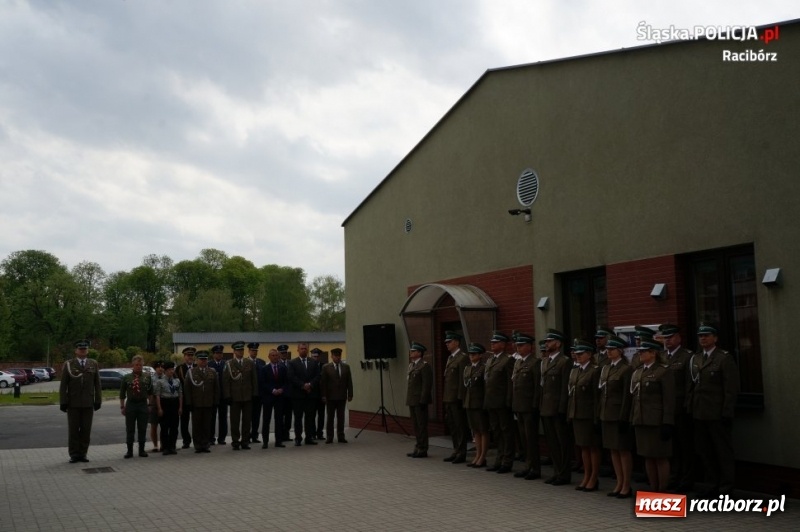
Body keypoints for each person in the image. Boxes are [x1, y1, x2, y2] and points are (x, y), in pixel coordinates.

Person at [687, 323, 740, 497]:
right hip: (699, 413)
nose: (703, 338)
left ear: (715, 338)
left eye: (707, 335)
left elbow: (730, 388)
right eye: (701, 336)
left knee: (722, 452)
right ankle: (711, 485)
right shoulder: (696, 359)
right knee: (705, 451)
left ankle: (725, 489)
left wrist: (727, 412)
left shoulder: (724, 358)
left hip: (717, 414)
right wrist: (690, 408)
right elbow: (692, 387)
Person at [631, 337, 675, 492]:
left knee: (660, 457)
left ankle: (662, 490)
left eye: (644, 351)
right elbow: (635, 398)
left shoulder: (663, 371)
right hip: (641, 420)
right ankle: (653, 488)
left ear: (653, 353)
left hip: (656, 421)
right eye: (640, 351)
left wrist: (667, 422)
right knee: (647, 456)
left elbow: (669, 399)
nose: (641, 354)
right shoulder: (638, 372)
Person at [658, 323, 695, 492]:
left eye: (671, 337)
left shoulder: (687, 356)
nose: (668, 341)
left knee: (685, 445)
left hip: (681, 408)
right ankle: (674, 475)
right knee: (671, 446)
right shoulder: (661, 356)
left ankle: (687, 478)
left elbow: (689, 384)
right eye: (665, 338)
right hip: (666, 409)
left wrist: (688, 405)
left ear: (679, 338)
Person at [598, 335, 634, 498]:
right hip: (607, 414)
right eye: (608, 349)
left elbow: (627, 396)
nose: (609, 352)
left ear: (620, 351)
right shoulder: (606, 368)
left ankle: (626, 484)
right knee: (613, 450)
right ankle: (619, 482)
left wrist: (624, 416)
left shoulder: (626, 369)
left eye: (612, 349)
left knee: (623, 450)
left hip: (619, 415)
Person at [59, 339, 102, 463]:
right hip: (73, 403)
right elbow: (63, 385)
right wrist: (63, 401)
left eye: (85, 349)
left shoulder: (93, 364)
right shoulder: (69, 364)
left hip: (88, 403)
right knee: (73, 430)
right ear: (76, 351)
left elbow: (97, 384)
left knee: (86, 430)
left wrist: (98, 400)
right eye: (80, 349)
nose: (83, 351)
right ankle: (74, 454)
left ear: (87, 351)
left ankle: (83, 454)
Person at [567, 340, 602, 492]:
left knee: (592, 447)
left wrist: (596, 418)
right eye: (577, 354)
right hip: (577, 414)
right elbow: (571, 394)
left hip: (588, 415)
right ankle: (586, 475)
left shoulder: (594, 371)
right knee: (583, 447)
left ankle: (594, 477)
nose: (578, 356)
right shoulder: (575, 370)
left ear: (589, 355)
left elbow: (596, 397)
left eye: (581, 354)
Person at [539, 328, 572, 485]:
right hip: (546, 407)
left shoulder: (564, 361)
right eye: (546, 341)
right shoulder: (546, 361)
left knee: (562, 443)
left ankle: (564, 474)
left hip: (557, 408)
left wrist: (562, 408)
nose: (547, 344)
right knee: (552, 442)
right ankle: (556, 471)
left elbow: (565, 387)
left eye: (549, 341)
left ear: (558, 344)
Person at [510, 333, 541, 479]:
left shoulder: (535, 363)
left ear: (529, 346)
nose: (518, 347)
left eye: (521, 345)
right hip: (519, 406)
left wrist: (535, 405)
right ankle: (527, 466)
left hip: (529, 407)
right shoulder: (518, 362)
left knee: (531, 439)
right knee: (523, 439)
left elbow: (536, 386)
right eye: (517, 345)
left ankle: (535, 468)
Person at [483, 331, 515, 474]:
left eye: (495, 342)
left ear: (503, 345)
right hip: (491, 402)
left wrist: (508, 401)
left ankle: (507, 461)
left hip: (502, 402)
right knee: (496, 432)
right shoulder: (490, 360)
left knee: (506, 431)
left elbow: (510, 383)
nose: (492, 344)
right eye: (492, 342)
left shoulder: (508, 360)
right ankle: (498, 459)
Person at [224, 341, 259, 450]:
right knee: (235, 420)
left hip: (247, 396)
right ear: (234, 351)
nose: (241, 352)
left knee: (247, 420)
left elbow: (254, 380)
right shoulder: (229, 364)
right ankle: (235, 441)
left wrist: (254, 394)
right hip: (235, 397)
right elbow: (226, 381)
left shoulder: (249, 363)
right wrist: (227, 396)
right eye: (238, 350)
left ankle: (245, 441)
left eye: (242, 350)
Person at [184, 350, 219, 453]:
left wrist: (216, 401)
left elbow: (216, 388)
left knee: (207, 425)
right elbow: (187, 389)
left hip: (208, 403)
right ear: (197, 360)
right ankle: (198, 445)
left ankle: (205, 444)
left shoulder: (212, 371)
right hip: (196, 403)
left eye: (205, 359)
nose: (203, 361)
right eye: (201, 359)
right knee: (197, 425)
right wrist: (189, 403)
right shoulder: (191, 372)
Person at [120, 354, 154, 458]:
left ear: (143, 365)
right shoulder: (126, 377)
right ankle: (129, 451)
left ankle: (141, 450)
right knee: (130, 428)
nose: (139, 366)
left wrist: (150, 405)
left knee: (142, 428)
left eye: (140, 365)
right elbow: (122, 393)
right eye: (136, 365)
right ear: (133, 365)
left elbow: (150, 392)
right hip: (131, 404)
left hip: (142, 404)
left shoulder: (147, 377)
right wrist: (122, 406)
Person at [442, 330, 469, 464]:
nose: (447, 344)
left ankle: (462, 452)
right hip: (448, 397)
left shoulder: (462, 358)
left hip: (456, 398)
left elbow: (461, 380)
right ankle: (455, 449)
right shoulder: (450, 358)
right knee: (452, 425)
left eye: (449, 342)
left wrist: (460, 397)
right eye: (446, 342)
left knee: (460, 425)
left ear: (457, 342)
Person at [287, 342, 321, 446]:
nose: (303, 350)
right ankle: (298, 438)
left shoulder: (313, 362)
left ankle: (309, 438)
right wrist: (303, 385)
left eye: (305, 349)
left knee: (310, 417)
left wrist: (310, 385)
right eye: (301, 349)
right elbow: (291, 377)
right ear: (298, 350)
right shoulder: (292, 363)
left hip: (310, 395)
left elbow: (318, 376)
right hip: (298, 395)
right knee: (298, 418)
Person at [320, 347, 353, 444]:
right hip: (330, 397)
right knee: (330, 417)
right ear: (332, 356)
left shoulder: (346, 367)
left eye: (339, 356)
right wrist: (323, 395)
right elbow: (323, 383)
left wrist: (350, 394)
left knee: (341, 417)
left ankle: (341, 436)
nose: (338, 358)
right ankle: (330, 437)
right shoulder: (326, 367)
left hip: (342, 397)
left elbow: (349, 382)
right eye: (336, 356)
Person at [406, 342, 433, 458]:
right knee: (416, 425)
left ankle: (423, 448)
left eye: (413, 351)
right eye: (411, 351)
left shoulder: (424, 366)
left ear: (419, 353)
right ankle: (418, 446)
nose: (411, 353)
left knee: (422, 425)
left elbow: (426, 385)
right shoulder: (411, 365)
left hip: (420, 401)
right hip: (412, 400)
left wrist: (423, 400)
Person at [259, 348, 289, 449]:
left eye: (276, 355)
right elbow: (262, 383)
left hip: (280, 398)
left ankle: (278, 441)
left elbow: (286, 382)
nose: (275, 357)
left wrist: (282, 389)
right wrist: (272, 390)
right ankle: (265, 442)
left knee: (279, 420)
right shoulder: (264, 369)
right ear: (269, 357)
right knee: (266, 420)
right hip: (268, 398)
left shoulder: (283, 368)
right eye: (273, 355)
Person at [154, 361, 182, 455]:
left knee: (174, 427)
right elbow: (157, 395)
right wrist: (159, 408)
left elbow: (180, 394)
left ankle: (172, 446)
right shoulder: (160, 382)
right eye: (169, 370)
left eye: (172, 369)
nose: (171, 371)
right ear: (165, 371)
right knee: (165, 427)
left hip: (174, 403)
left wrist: (180, 407)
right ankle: (165, 447)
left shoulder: (176, 381)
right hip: (165, 403)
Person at [175, 346, 196, 449]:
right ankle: (186, 441)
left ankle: (198, 440)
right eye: (188, 355)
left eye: (192, 355)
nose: (190, 357)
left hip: (196, 399)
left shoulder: (197, 366)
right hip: (184, 399)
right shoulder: (179, 369)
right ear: (184, 356)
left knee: (197, 421)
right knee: (184, 421)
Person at [208, 344, 228, 445]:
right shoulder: (209, 364)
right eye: (217, 353)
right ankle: (211, 438)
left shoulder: (226, 364)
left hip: (223, 395)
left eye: (220, 353)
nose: (219, 355)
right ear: (213, 354)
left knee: (223, 417)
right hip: (212, 396)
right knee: (211, 418)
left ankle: (222, 438)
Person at [248, 342, 266, 444]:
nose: (254, 352)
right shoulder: (245, 362)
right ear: (249, 351)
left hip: (259, 394)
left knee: (256, 416)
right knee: (247, 417)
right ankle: (247, 436)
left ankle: (254, 435)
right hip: (248, 394)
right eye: (253, 350)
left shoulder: (261, 362)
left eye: (256, 351)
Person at [277, 344, 293, 442]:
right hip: (280, 395)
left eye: (285, 353)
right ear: (279, 354)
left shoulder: (291, 363)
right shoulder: (276, 364)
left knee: (288, 416)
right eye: (282, 353)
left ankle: (286, 434)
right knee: (279, 416)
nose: (284, 354)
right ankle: (280, 435)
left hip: (290, 395)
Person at [310, 348, 326, 439]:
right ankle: (312, 433)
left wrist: (325, 395)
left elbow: (325, 381)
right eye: (313, 356)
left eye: (316, 356)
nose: (315, 358)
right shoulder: (308, 366)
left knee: (321, 415)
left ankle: (320, 433)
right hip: (311, 395)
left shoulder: (324, 366)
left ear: (319, 357)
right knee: (311, 415)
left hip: (321, 395)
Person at [148, 361, 164, 452]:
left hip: (164, 403)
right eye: (158, 367)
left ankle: (163, 444)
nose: (161, 369)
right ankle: (155, 445)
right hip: (154, 404)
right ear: (155, 368)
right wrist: (150, 404)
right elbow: (149, 392)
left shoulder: (166, 377)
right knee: (154, 425)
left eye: (162, 367)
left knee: (164, 426)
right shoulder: (150, 378)